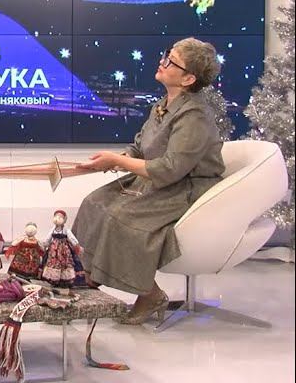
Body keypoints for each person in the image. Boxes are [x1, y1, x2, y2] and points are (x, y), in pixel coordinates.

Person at [72, 37, 225, 325]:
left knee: (120, 218)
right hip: (157, 179)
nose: (162, 62)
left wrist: (118, 162)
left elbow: (170, 169)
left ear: (188, 78)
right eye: (166, 55)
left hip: (184, 188)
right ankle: (88, 276)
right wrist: (113, 160)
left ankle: (150, 294)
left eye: (171, 61)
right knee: (94, 202)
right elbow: (140, 147)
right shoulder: (162, 105)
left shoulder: (195, 116)